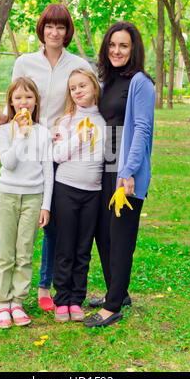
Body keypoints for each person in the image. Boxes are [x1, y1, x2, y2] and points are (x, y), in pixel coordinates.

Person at [0, 4, 93, 313]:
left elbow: (82, 99)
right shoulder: (24, 61)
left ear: (67, 31)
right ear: (42, 29)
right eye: (49, 26)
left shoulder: (77, 63)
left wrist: (70, 129)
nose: (54, 32)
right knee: (1, 226)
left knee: (50, 222)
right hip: (24, 144)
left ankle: (44, 288)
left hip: (57, 148)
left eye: (61, 27)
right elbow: (14, 100)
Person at [84, 21, 155, 328]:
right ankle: (119, 291)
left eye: (123, 45)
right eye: (112, 45)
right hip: (105, 167)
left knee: (121, 236)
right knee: (104, 232)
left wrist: (128, 172)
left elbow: (142, 129)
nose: (116, 50)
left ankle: (113, 307)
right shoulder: (109, 79)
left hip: (126, 172)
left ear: (133, 49)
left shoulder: (141, 83)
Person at [0, 77, 53, 328]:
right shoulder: (4, 131)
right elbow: (9, 163)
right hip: (7, 196)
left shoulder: (44, 133)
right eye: (17, 98)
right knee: (5, 252)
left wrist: (45, 205)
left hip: (33, 198)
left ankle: (18, 302)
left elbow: (48, 171)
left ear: (36, 101)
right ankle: (2, 303)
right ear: (11, 102)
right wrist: (20, 134)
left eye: (28, 97)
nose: (23, 102)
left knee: (25, 252)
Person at [52, 69, 105, 322]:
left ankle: (76, 300)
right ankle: (61, 299)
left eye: (82, 85)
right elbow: (57, 156)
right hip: (66, 188)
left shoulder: (104, 120)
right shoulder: (67, 121)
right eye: (73, 88)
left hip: (93, 193)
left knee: (83, 248)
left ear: (94, 86)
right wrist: (76, 139)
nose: (78, 91)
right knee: (65, 246)